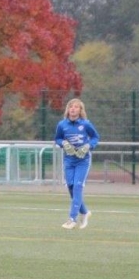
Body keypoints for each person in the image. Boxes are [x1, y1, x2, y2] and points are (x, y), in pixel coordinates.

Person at [54, 98, 100, 229]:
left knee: (77, 187)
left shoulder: (86, 124)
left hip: (83, 160)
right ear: (68, 110)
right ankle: (84, 212)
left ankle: (72, 219)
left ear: (80, 110)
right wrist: (63, 143)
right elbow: (57, 138)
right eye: (71, 107)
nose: (73, 109)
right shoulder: (62, 124)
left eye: (76, 107)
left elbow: (95, 137)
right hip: (69, 160)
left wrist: (88, 146)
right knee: (70, 186)